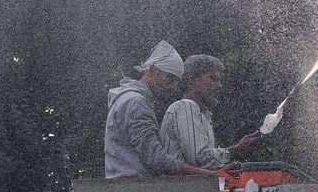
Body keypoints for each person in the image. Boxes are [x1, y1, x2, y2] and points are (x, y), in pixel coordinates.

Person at [104, 40, 217, 178]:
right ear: (152, 70)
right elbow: (155, 158)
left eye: (176, 80)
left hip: (124, 189)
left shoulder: (129, 99)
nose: (173, 86)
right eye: (170, 78)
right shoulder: (135, 102)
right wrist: (205, 173)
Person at [160, 54, 262, 180]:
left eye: (219, 80)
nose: (219, 85)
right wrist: (235, 150)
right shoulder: (185, 106)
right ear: (192, 79)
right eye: (213, 78)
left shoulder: (203, 114)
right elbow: (200, 159)